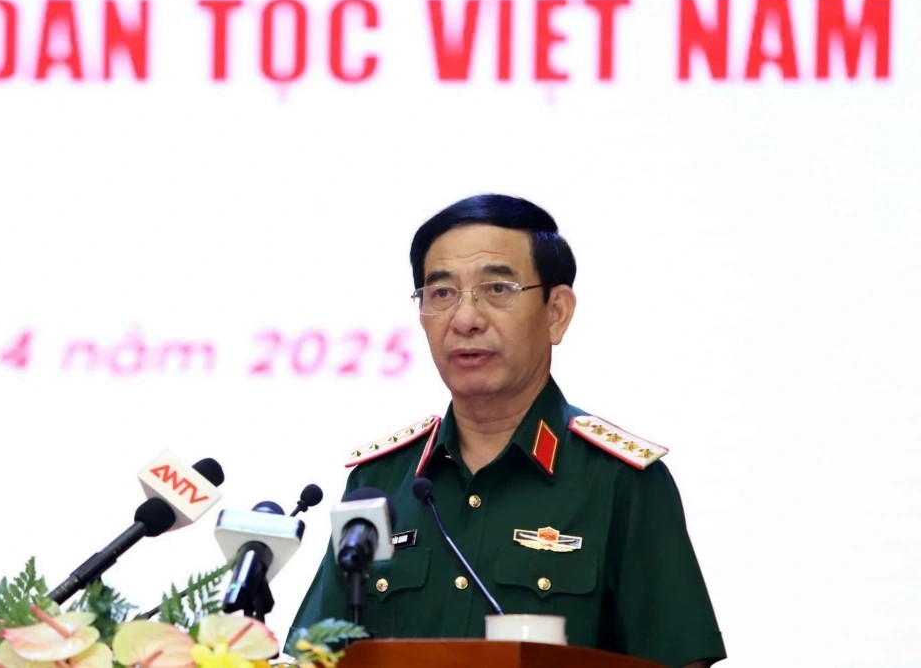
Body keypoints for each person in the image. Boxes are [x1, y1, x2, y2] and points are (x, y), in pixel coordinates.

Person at [289, 194, 726, 667]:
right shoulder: (380, 483)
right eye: (442, 293)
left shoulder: (621, 481)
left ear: (556, 312)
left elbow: (679, 660)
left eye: (497, 289)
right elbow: (314, 654)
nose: (465, 319)